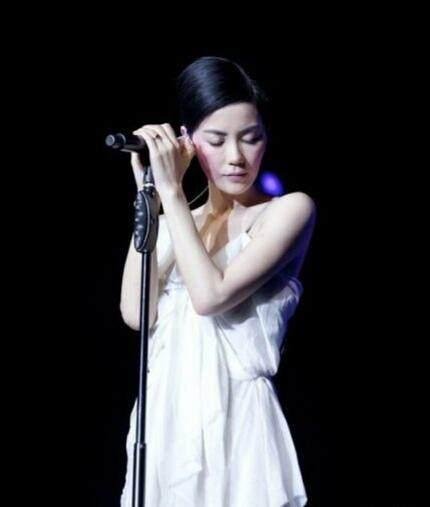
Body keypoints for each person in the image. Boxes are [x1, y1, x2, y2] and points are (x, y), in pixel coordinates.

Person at [119, 56, 316, 506]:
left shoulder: (287, 211)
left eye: (251, 137)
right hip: (166, 418)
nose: (236, 156)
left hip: (238, 425)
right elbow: (136, 313)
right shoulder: (177, 221)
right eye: (216, 139)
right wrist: (151, 198)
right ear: (188, 141)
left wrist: (172, 193)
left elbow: (211, 297)